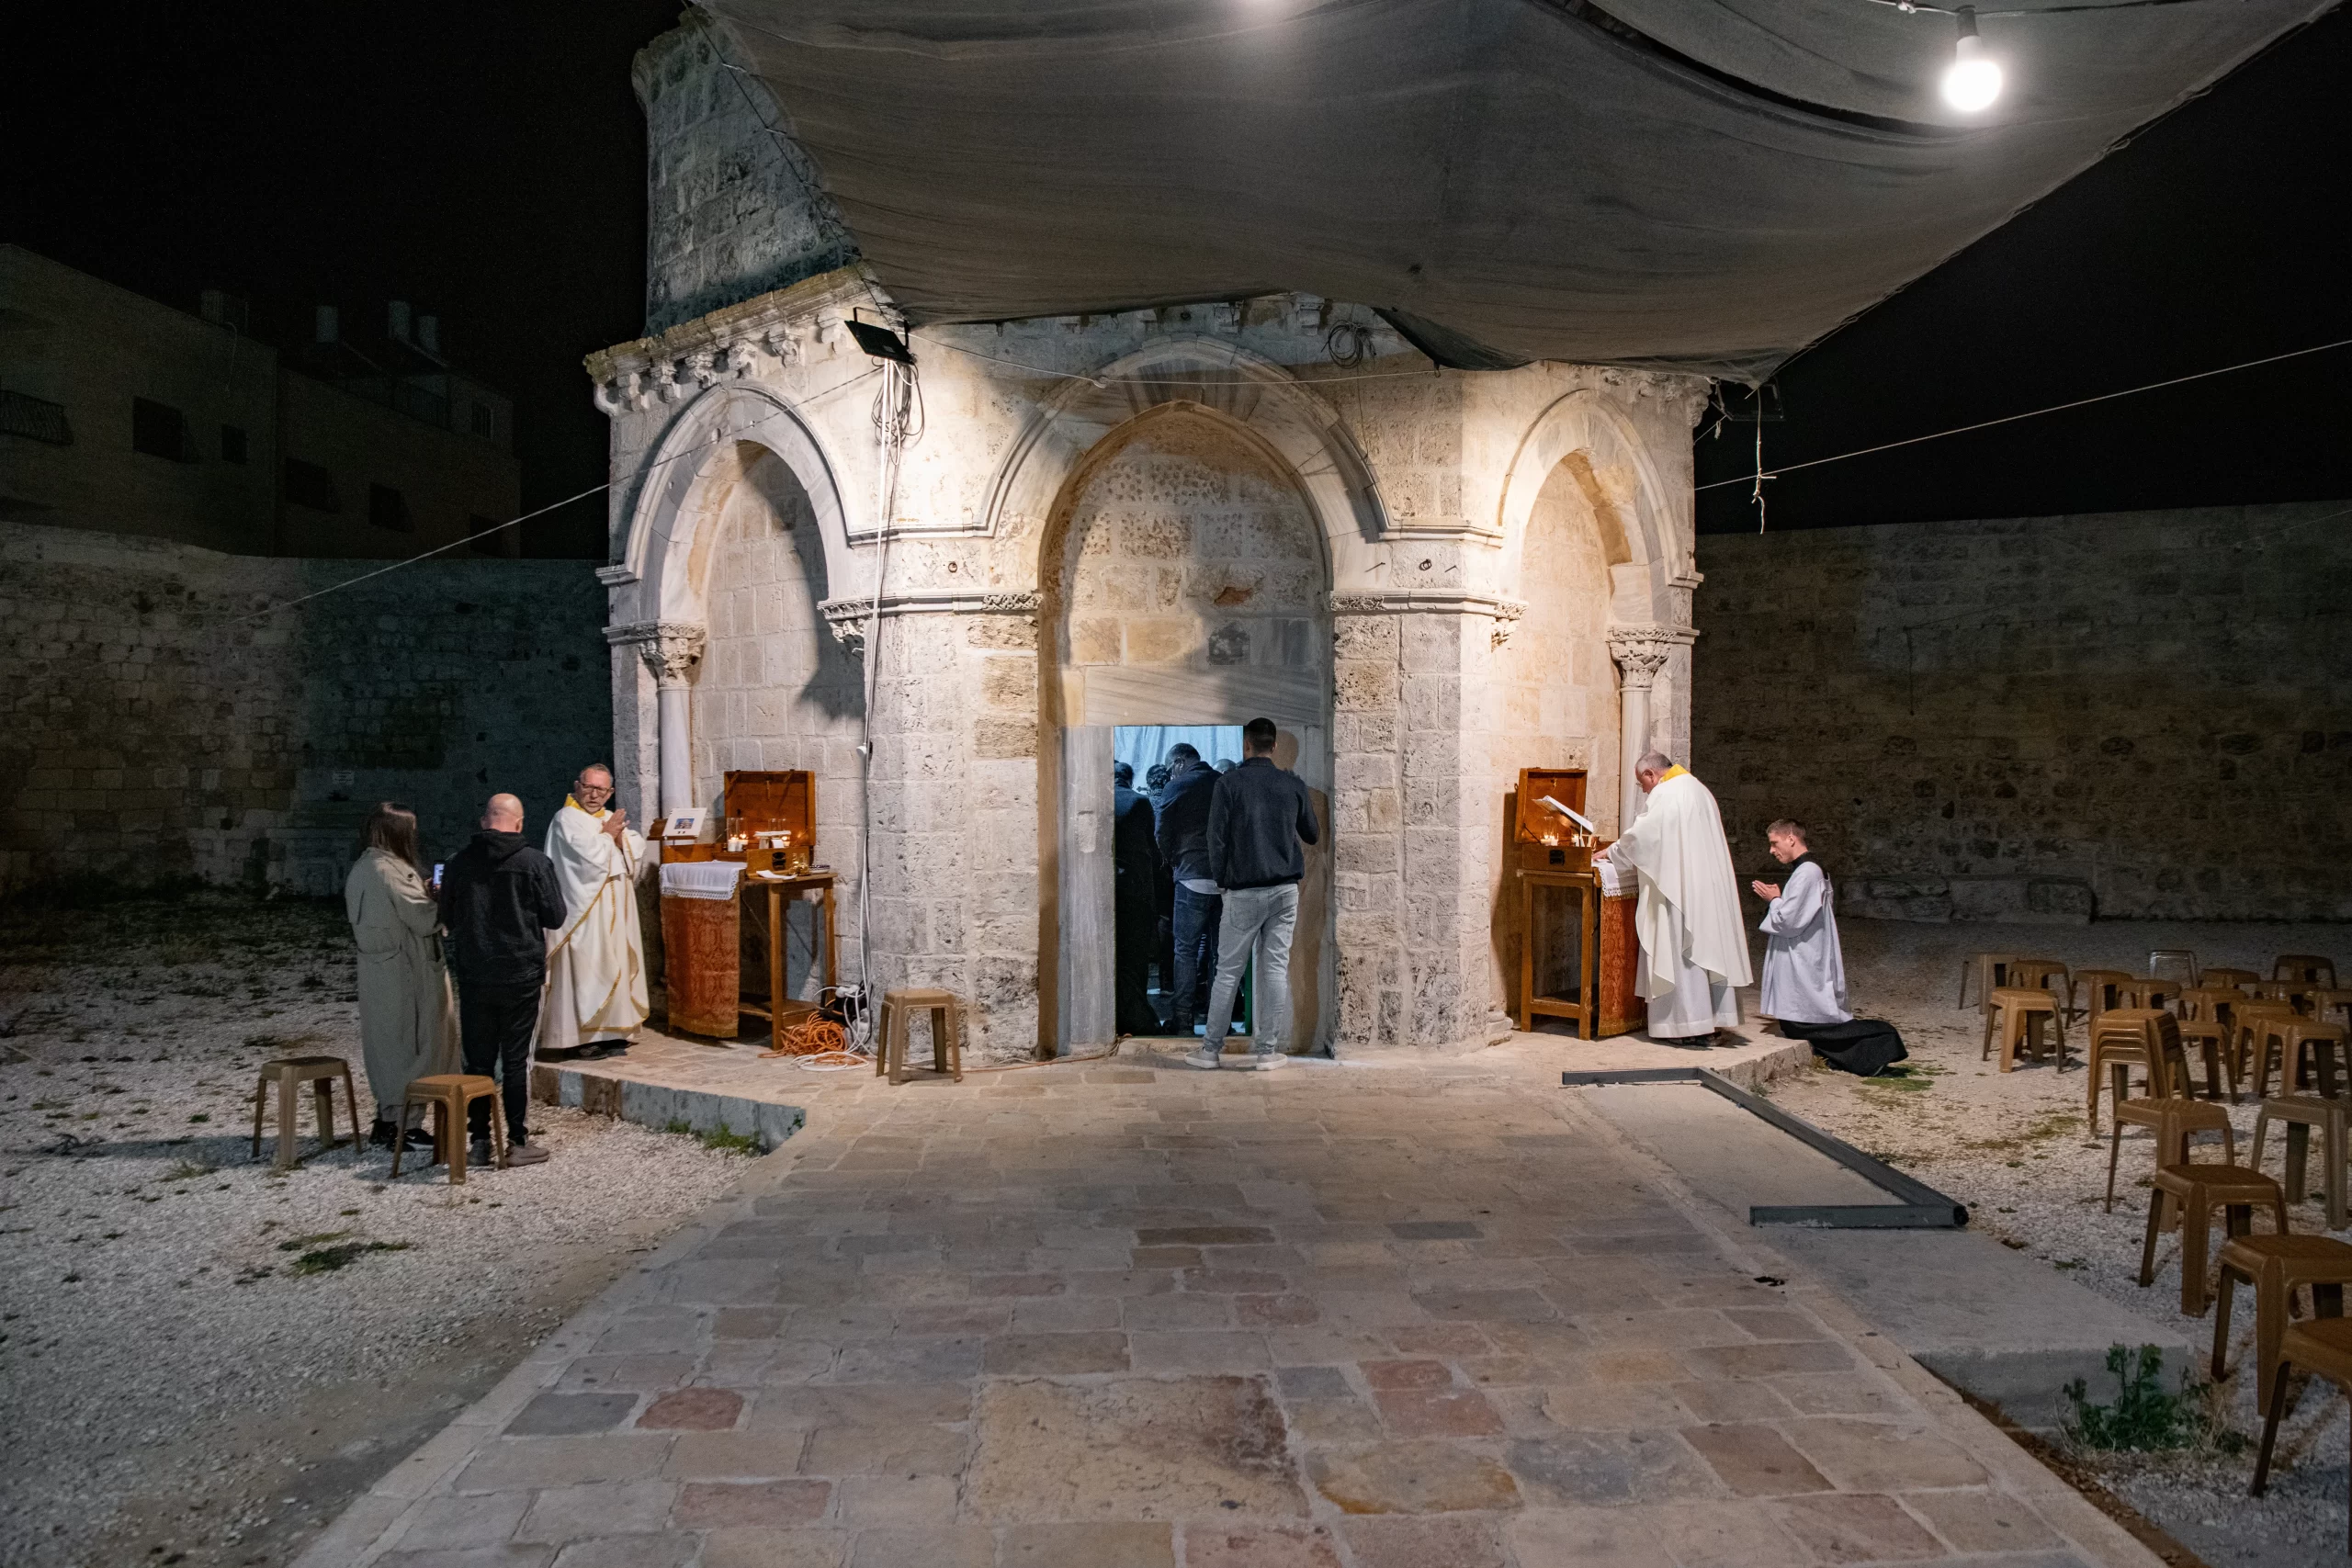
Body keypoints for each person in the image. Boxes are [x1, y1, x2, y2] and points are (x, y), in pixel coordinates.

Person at [1184, 716, 1320, 1070]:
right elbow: (1312, 835)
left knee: (1227, 971)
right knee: (1274, 969)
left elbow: (1216, 840)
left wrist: (1223, 882)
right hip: (1285, 891)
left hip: (1242, 891)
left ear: (1246, 746)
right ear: (1274, 747)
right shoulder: (1291, 784)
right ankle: (1266, 1053)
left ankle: (1210, 1051)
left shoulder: (1228, 784)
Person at [439, 793, 565, 1167]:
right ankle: (517, 1140)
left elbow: (447, 915)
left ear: (484, 821)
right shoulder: (535, 863)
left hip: (476, 974)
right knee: (516, 1060)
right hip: (521, 974)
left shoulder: (458, 863)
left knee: (477, 1061)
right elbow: (555, 916)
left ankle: (478, 1141)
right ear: (520, 823)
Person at [1594, 752, 1752, 1043]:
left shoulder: (1667, 793)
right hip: (1706, 887)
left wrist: (1612, 852)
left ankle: (1688, 1026)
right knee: (1706, 950)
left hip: (1680, 888)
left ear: (1652, 774)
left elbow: (1642, 837)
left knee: (1682, 954)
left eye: (1643, 783)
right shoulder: (1699, 790)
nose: (1644, 790)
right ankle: (1712, 1021)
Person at [343, 804, 458, 1151]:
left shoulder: (363, 868)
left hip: (379, 974)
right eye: (410, 830)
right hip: (410, 974)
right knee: (416, 1046)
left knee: (388, 1047)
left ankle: (387, 1120)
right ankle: (405, 1126)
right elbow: (423, 919)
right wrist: (444, 898)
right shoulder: (392, 871)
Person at [1752, 820, 1908, 1076]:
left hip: (1802, 957)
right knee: (1797, 1024)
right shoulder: (1810, 870)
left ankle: (1883, 1039)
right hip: (1806, 951)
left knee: (1802, 1023)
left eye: (1774, 842)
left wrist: (1775, 900)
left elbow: (1790, 921)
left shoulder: (1807, 872)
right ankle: (1864, 1056)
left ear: (1791, 838)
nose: (1771, 850)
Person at [537, 764, 650, 1061]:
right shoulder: (566, 819)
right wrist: (607, 837)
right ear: (577, 786)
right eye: (589, 787)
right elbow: (582, 859)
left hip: (613, 909)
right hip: (582, 913)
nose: (594, 795)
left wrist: (616, 837)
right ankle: (577, 1038)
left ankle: (612, 1033)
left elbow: (635, 844)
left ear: (610, 792)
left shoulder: (606, 819)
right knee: (586, 970)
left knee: (615, 965)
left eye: (601, 790)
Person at [1155, 743, 1222, 1034]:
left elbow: (1162, 833)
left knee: (1185, 952)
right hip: (1224, 883)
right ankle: (1219, 1023)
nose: (1169, 775)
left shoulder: (1178, 785)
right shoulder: (1224, 782)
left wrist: (1174, 863)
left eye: (1170, 769)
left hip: (1191, 878)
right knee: (1220, 955)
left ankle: (1182, 1020)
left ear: (1180, 762)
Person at [1112, 762, 1163, 1036]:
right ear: (1130, 779)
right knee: (1135, 956)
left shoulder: (1100, 800)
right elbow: (1152, 849)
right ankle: (1137, 1015)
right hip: (1135, 890)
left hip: (1108, 889)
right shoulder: (1139, 802)